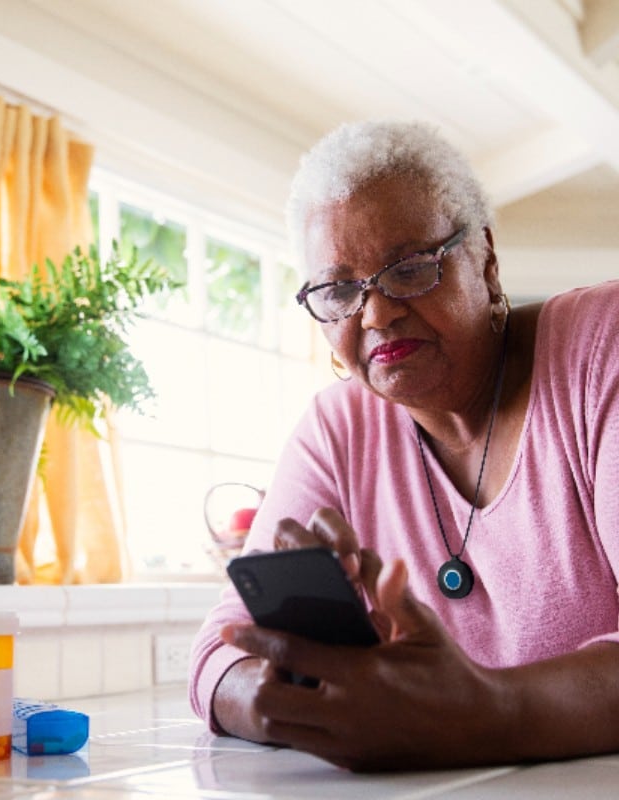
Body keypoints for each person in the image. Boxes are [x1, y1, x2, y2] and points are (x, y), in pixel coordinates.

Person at [188, 120, 619, 772]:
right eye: (338, 290)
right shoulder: (338, 430)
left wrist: (483, 711)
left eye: (411, 269)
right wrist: (283, 689)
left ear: (486, 258)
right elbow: (220, 650)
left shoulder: (601, 351)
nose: (376, 315)